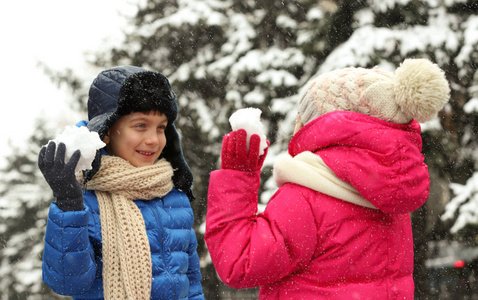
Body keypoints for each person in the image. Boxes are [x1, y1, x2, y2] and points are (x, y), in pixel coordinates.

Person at [205, 58, 450, 299]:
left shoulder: (306, 198)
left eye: (302, 117)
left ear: (321, 127)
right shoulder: (388, 198)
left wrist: (237, 178)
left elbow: (239, 262)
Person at [38, 66, 204, 300]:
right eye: (140, 125)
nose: (153, 140)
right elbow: (67, 283)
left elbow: (192, 284)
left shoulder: (174, 197)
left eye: (161, 127)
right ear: (106, 132)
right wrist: (69, 206)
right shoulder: (85, 199)